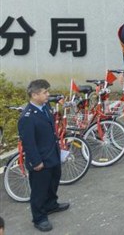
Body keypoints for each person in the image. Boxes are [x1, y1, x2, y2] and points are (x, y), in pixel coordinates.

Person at [18, 79, 68, 233]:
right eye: (45, 92)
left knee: (53, 182)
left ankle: (51, 204)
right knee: (39, 190)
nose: (48, 95)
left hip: (52, 154)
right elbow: (29, 143)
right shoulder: (27, 117)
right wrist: (36, 162)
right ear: (34, 95)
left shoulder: (45, 106)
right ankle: (39, 218)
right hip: (40, 159)